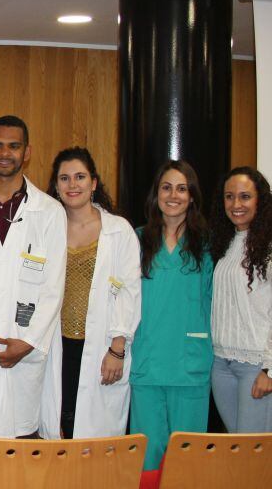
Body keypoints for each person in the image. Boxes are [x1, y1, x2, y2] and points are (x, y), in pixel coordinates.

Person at [0, 115, 66, 459]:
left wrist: (28, 342)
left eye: (14, 146)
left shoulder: (49, 211)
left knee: (23, 441)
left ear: (27, 152)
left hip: (25, 343)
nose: (5, 153)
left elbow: (53, 287)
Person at [46, 147, 141, 439]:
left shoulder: (118, 231)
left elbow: (129, 292)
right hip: (57, 345)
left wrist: (117, 348)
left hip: (101, 345)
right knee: (59, 422)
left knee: (94, 433)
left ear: (94, 183)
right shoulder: (48, 228)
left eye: (80, 177)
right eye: (64, 178)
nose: (72, 185)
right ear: (56, 186)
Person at [129, 160, 213, 470]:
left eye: (182, 189)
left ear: (192, 196)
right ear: (156, 194)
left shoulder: (208, 244)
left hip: (189, 364)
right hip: (147, 362)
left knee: (188, 460)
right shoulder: (137, 239)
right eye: (166, 188)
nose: (173, 195)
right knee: (147, 456)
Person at [209, 167, 272, 433]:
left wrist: (269, 370)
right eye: (229, 196)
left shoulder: (269, 246)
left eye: (245, 196)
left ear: (260, 200)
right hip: (221, 363)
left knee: (254, 451)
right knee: (236, 448)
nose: (236, 204)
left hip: (257, 366)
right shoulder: (224, 243)